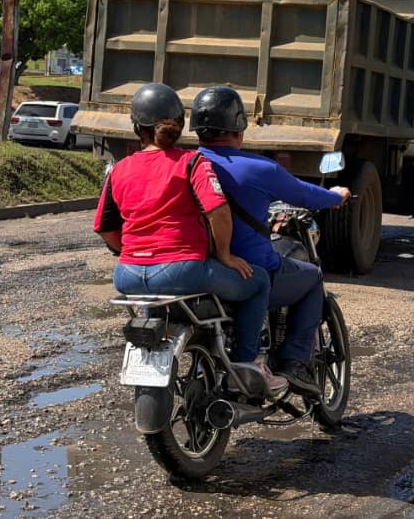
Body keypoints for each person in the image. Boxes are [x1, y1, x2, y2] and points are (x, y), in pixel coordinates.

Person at [95, 82, 285, 390]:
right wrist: (225, 255)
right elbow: (218, 211)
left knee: (159, 296)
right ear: (180, 125)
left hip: (127, 276)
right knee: (259, 281)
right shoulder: (191, 162)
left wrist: (133, 253)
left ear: (137, 127)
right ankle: (246, 365)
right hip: (182, 270)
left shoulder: (119, 169)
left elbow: (106, 228)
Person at [191, 86, 349, 398]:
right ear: (239, 128)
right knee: (312, 278)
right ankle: (294, 363)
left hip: (201, 268)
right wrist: (336, 196)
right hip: (249, 269)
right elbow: (305, 194)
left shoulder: (186, 163)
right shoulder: (260, 168)